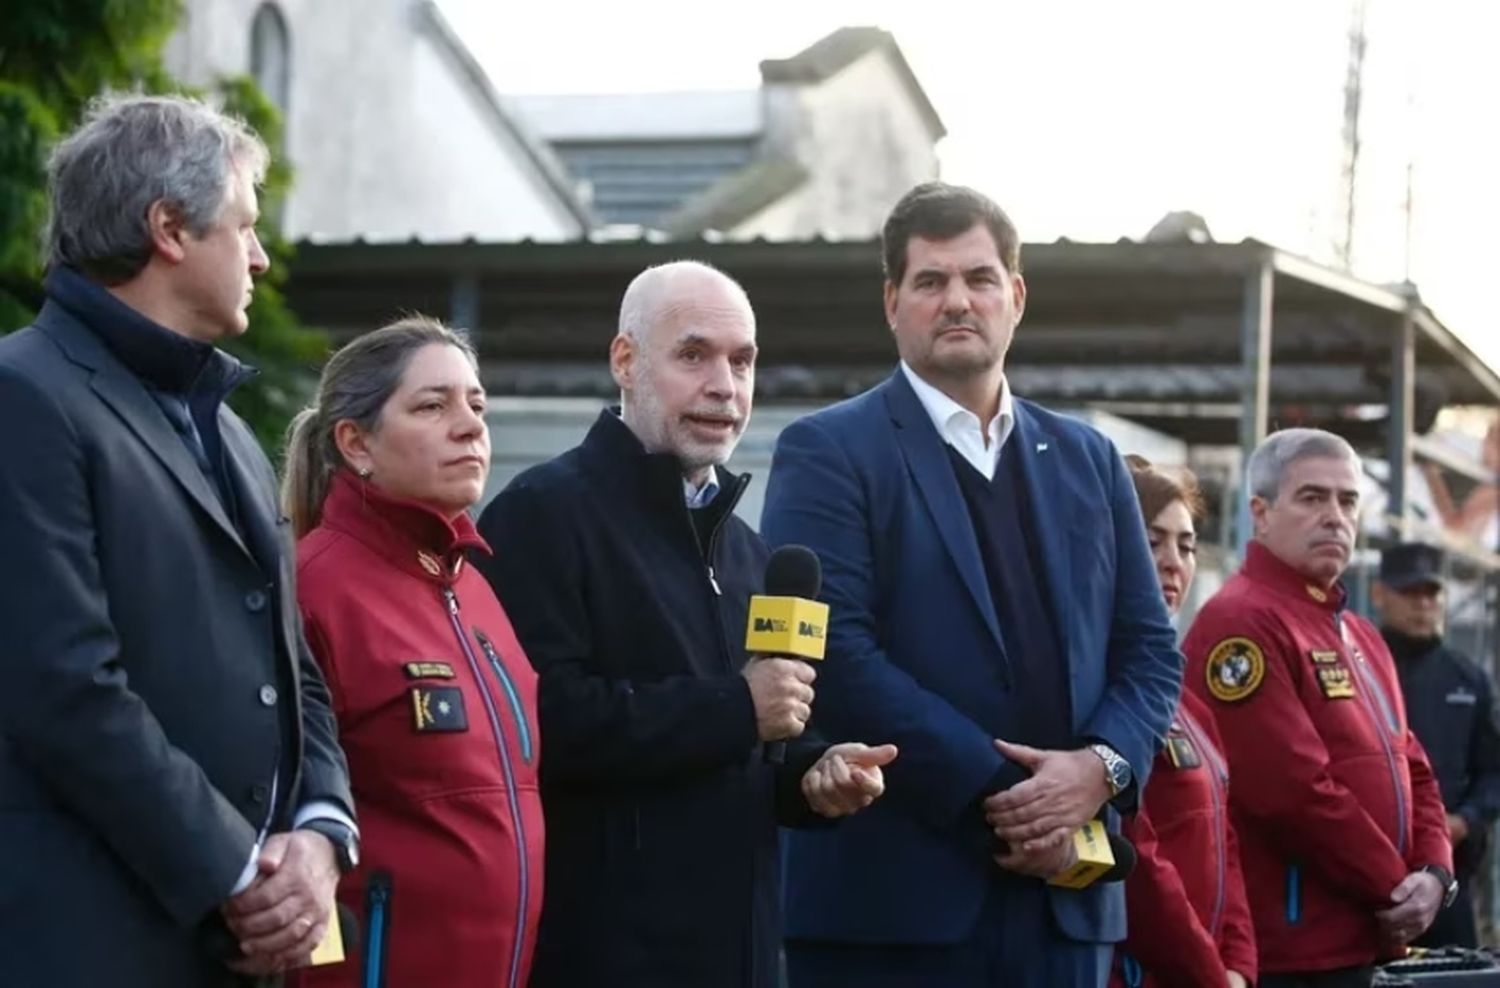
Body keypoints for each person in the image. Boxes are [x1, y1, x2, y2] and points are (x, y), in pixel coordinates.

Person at [760, 181, 1183, 987]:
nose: (958, 300)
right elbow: (837, 653)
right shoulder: (829, 450)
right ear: (892, 302)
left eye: (979, 279)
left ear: (1015, 297)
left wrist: (1101, 771)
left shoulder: (1091, 460)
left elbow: (1151, 653)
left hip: (1065, 911)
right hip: (892, 909)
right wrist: (1015, 800)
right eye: (930, 281)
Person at [0, 93, 354, 986]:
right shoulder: (23, 395)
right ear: (168, 228)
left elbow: (291, 660)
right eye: (244, 227)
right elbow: (64, 685)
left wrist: (318, 832)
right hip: (92, 942)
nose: (262, 257)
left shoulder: (227, 429)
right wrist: (238, 872)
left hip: (241, 946)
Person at [474, 260, 897, 988]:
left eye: (743, 360)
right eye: (694, 355)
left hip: (743, 955)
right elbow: (538, 725)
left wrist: (814, 775)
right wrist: (739, 707)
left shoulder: (750, 550)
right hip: (606, 956)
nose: (724, 386)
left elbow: (762, 740)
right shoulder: (540, 515)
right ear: (625, 361)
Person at [281, 317, 543, 988]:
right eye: (433, 405)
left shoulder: (478, 591)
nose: (470, 425)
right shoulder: (313, 589)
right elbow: (273, 822)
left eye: (476, 404)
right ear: (356, 443)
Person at [1183, 429, 1454, 988]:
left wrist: (1434, 872)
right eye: (1312, 497)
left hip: (1360, 938)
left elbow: (1415, 767)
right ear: (1260, 513)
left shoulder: (1361, 635)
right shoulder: (1242, 621)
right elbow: (1291, 793)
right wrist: (1396, 890)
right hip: (1290, 953)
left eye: (1348, 500)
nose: (1335, 516)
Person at [1111, 457, 1256, 988]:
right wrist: (1211, 974)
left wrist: (1240, 963)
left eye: (1187, 545)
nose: (1174, 563)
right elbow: (1136, 861)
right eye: (1152, 542)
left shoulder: (1186, 700)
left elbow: (1227, 843)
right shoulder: (1095, 689)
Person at [1375, 540, 1500, 948]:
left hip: (1450, 879)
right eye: (1409, 593)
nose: (1423, 605)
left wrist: (1466, 820)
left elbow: (1493, 771)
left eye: (1430, 593)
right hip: (1371, 874)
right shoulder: (1355, 665)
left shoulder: (1468, 679)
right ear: (1379, 594)